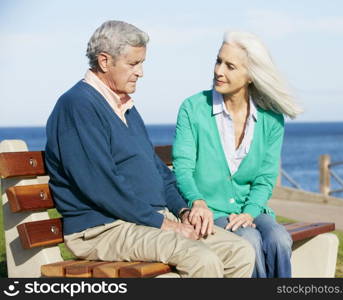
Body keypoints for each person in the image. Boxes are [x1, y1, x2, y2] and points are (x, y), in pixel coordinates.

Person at [45, 21, 255, 278]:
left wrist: (183, 211)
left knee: (240, 251)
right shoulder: (78, 106)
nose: (140, 72)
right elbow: (102, 187)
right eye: (133, 64)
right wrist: (164, 224)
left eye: (142, 63)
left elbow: (158, 171)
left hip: (142, 219)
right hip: (104, 228)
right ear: (104, 61)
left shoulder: (125, 107)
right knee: (201, 258)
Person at [173, 31, 303, 278]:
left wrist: (249, 212)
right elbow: (183, 168)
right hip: (210, 213)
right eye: (218, 61)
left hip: (251, 210)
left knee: (279, 239)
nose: (219, 71)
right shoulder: (193, 108)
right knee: (249, 240)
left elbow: (265, 178)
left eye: (230, 66)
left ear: (251, 76)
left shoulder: (271, 119)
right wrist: (197, 201)